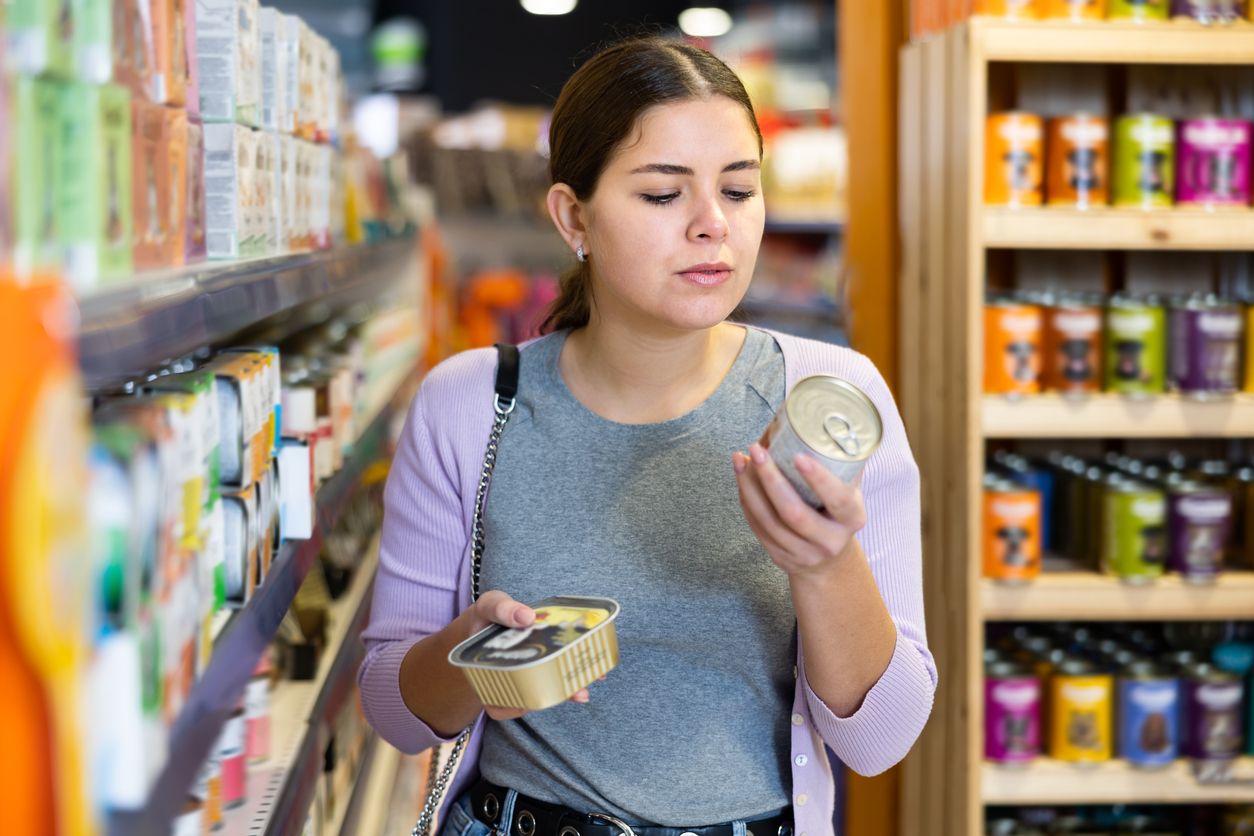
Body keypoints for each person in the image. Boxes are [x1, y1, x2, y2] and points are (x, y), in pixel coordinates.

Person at [358, 35, 936, 836]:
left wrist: (827, 565)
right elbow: (394, 709)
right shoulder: (470, 404)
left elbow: (880, 739)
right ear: (573, 216)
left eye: (738, 190)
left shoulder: (825, 401)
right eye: (664, 196)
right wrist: (479, 657)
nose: (712, 226)